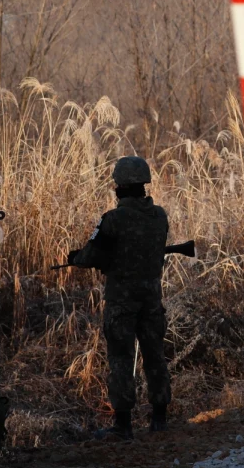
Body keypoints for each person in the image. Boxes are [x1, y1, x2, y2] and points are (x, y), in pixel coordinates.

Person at [68, 155, 172, 440]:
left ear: (120, 187)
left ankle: (123, 425)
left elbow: (91, 255)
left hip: (121, 302)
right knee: (155, 356)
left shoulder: (112, 220)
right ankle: (160, 419)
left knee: (121, 359)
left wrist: (76, 258)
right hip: (152, 299)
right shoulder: (159, 216)